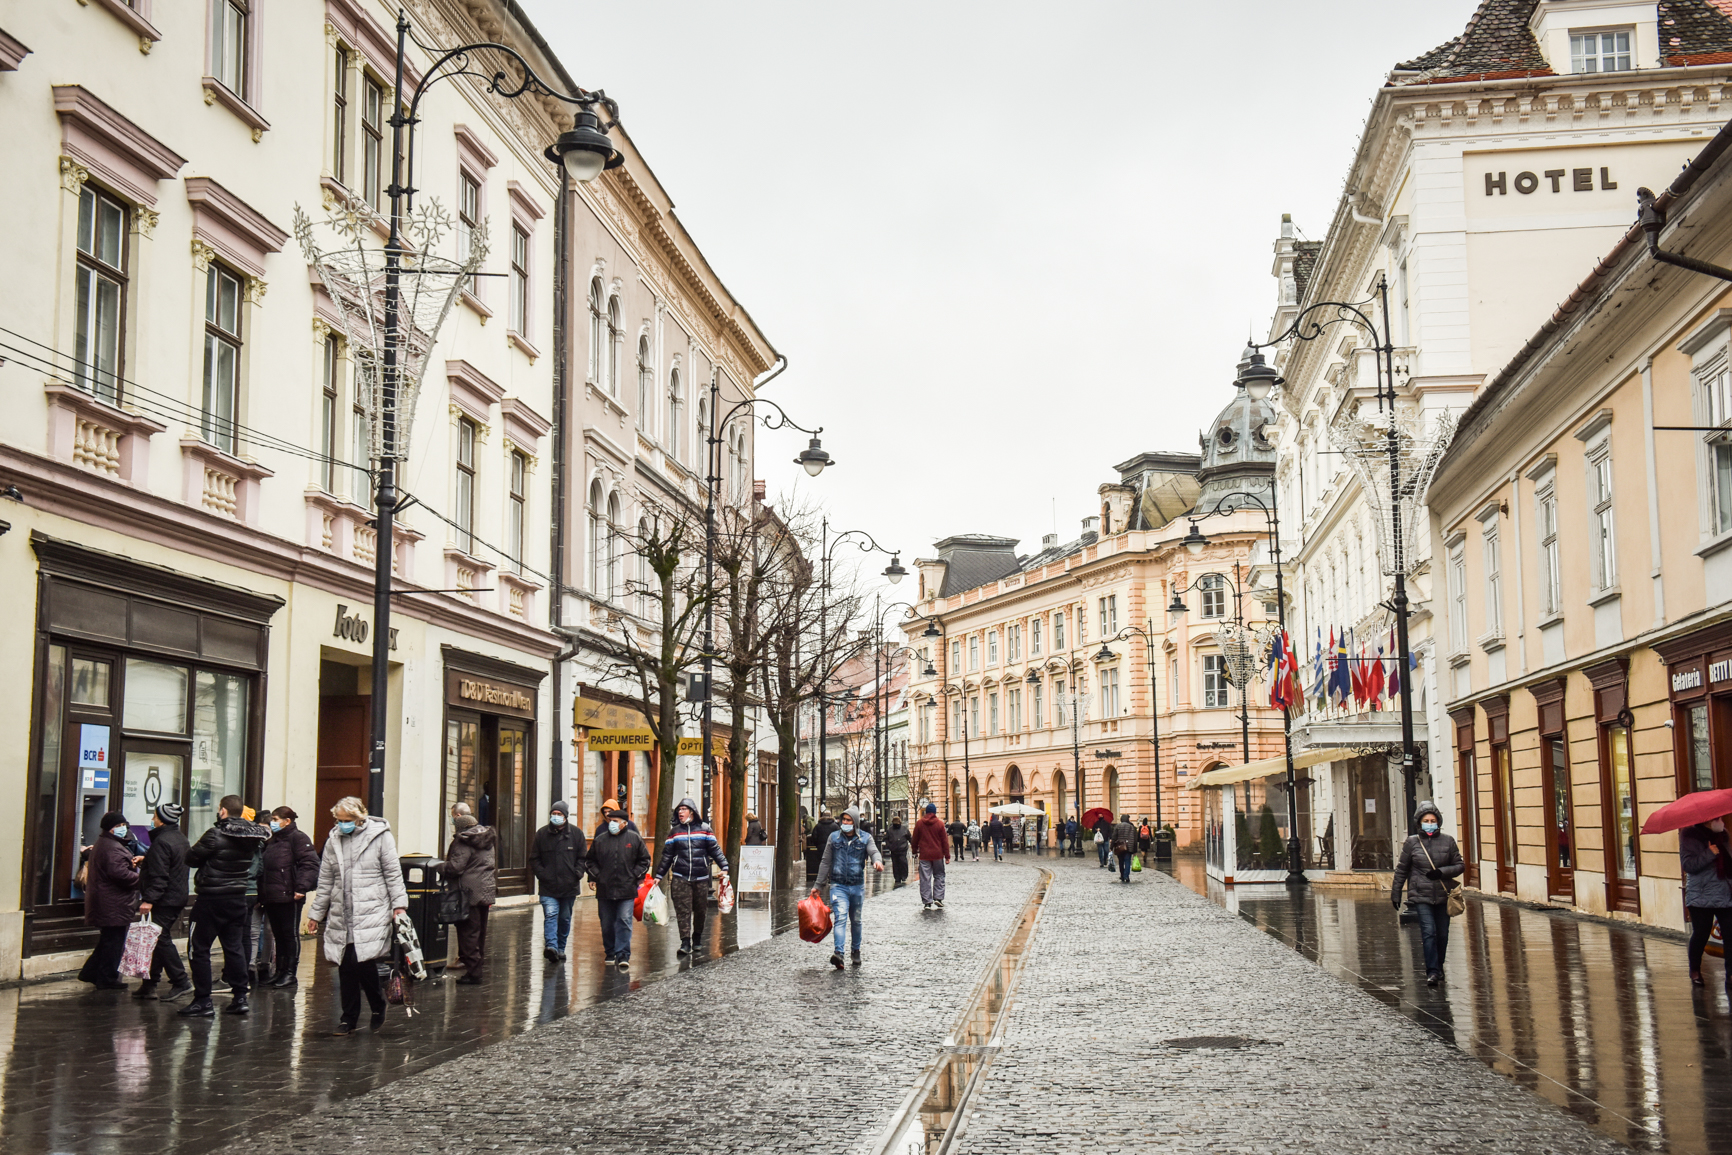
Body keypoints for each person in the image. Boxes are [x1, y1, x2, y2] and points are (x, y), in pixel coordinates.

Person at [305, 796, 407, 1034]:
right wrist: (316, 914)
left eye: (347, 820)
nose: (342, 824)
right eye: (339, 820)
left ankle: (376, 1004)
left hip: (372, 908)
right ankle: (348, 1018)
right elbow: (326, 880)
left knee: (360, 960)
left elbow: (393, 873)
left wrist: (398, 906)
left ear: (359, 817)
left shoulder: (380, 837)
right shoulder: (334, 840)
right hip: (343, 911)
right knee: (345, 964)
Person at [181, 796, 269, 1017]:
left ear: (222, 811)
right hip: (237, 897)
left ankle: (203, 1000)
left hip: (211, 897)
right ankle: (240, 996)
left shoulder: (215, 834)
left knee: (198, 948)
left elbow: (191, 857)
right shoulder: (251, 836)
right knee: (234, 947)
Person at [1391, 800, 1466, 987]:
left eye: (1433, 820)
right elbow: (1402, 869)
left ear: (1438, 821)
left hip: (1443, 894)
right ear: (1420, 823)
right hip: (1421, 894)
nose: (1430, 823)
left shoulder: (1448, 841)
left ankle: (1439, 967)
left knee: (1442, 934)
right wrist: (1396, 893)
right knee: (1429, 932)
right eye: (1426, 820)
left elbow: (1460, 865)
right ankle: (1432, 971)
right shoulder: (1412, 843)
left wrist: (1442, 872)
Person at [651, 798, 729, 958]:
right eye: (679, 810)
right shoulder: (675, 832)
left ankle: (697, 937)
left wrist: (725, 867)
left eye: (684, 809)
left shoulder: (705, 830)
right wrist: (659, 875)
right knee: (683, 910)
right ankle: (685, 942)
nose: (680, 812)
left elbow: (715, 850)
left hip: (701, 877)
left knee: (700, 910)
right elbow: (667, 855)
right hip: (680, 877)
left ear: (692, 812)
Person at [134, 803, 193, 1001]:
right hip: (176, 896)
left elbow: (160, 875)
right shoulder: (179, 838)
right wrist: (147, 860)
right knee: (157, 939)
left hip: (165, 899)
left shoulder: (162, 841)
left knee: (160, 938)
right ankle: (150, 984)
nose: (152, 819)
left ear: (162, 820)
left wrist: (148, 899)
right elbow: (170, 865)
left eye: (154, 816)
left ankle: (181, 981)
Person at [77, 810, 141, 990]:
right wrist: (142, 879)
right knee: (113, 942)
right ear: (109, 829)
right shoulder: (111, 847)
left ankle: (91, 972)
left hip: (110, 902)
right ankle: (107, 978)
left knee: (109, 940)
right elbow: (120, 874)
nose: (122, 829)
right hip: (113, 903)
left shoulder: (108, 844)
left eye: (123, 825)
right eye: (118, 826)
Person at [814, 806, 883, 969]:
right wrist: (818, 884)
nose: (844, 823)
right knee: (841, 917)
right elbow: (825, 861)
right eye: (843, 820)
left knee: (856, 920)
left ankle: (855, 950)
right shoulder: (834, 838)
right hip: (838, 885)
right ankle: (839, 953)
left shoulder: (865, 838)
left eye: (848, 820)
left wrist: (877, 861)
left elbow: (874, 852)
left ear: (855, 822)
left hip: (857, 886)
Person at [259, 806, 318, 988]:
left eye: (276, 819)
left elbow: (310, 863)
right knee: (279, 935)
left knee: (289, 935)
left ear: (287, 821)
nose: (272, 822)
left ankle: (290, 973)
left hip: (289, 896)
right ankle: (280, 971)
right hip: (272, 896)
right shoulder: (274, 841)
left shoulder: (298, 838)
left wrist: (301, 887)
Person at [434, 812, 496, 985]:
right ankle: (476, 968)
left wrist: (439, 866)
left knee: (468, 933)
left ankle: (473, 972)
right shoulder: (486, 839)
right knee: (479, 932)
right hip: (485, 891)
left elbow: (456, 867)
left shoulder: (464, 840)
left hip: (467, 893)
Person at [586, 808, 650, 970]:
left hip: (626, 888)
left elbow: (644, 860)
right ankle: (610, 951)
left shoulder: (634, 839)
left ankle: (623, 954)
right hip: (605, 889)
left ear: (624, 824)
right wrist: (595, 876)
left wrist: (634, 875)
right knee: (607, 922)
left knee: (624, 920)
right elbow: (589, 861)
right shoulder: (600, 840)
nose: (611, 824)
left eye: (615, 821)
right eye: (610, 821)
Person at [528, 801, 586, 962]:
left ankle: (561, 947)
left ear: (565, 816)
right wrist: (543, 874)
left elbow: (582, 858)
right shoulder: (541, 834)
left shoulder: (576, 834)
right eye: (553, 813)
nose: (556, 817)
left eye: (559, 814)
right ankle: (551, 946)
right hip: (548, 886)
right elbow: (534, 859)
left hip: (569, 886)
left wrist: (577, 873)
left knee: (565, 918)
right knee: (551, 914)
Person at [1679, 814, 1732, 987]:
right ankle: (1695, 970)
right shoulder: (1689, 835)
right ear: (1708, 821)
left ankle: (1730, 975)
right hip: (1701, 895)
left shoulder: (1723, 835)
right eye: (1717, 819)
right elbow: (1689, 865)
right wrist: (1709, 853)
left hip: (1724, 892)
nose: (1721, 822)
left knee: (1730, 935)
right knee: (1701, 934)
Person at [913, 803, 950, 909]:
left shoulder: (919, 823)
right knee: (939, 875)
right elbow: (944, 841)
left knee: (925, 878)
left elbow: (915, 839)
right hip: (938, 854)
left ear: (926, 812)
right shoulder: (940, 824)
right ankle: (938, 898)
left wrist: (914, 850)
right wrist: (947, 856)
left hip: (924, 855)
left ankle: (927, 901)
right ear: (934, 812)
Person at [805, 811, 838, 878]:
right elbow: (839, 837)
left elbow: (814, 837)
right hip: (832, 847)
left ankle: (823, 877)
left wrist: (818, 845)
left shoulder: (818, 826)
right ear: (830, 816)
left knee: (823, 863)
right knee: (832, 862)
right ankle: (831, 876)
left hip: (821, 847)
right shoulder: (835, 826)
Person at [1110, 812, 1139, 883]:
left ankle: (1122, 875)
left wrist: (1111, 847)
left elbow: (1114, 837)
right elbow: (1135, 839)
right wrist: (1135, 850)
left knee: (1121, 862)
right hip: (1129, 847)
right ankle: (1126, 876)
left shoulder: (1117, 826)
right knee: (1127, 861)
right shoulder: (1132, 827)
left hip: (1120, 847)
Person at [883, 816, 911, 888]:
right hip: (894, 849)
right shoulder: (890, 830)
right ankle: (897, 877)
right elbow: (886, 839)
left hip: (902, 849)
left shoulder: (904, 829)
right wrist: (889, 845)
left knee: (903, 862)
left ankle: (903, 876)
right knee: (895, 864)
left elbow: (909, 837)